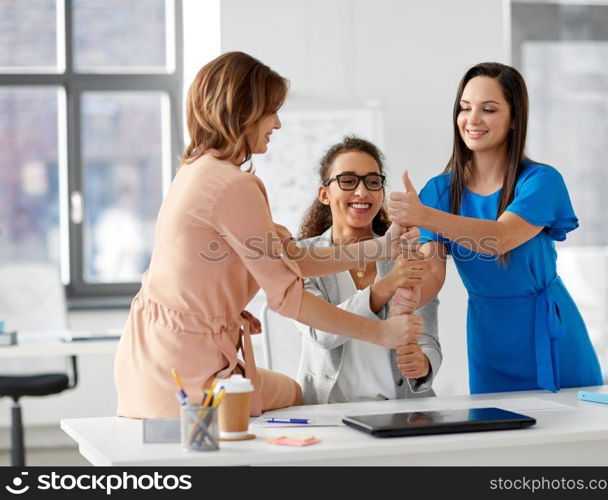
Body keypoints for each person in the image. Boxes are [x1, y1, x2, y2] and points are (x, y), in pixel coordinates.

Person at [114, 52, 423, 418]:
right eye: (270, 110)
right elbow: (288, 297)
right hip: (185, 369)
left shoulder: (197, 170)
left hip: (155, 352)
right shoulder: (232, 186)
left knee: (293, 393)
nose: (276, 123)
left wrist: (381, 247)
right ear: (241, 111)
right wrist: (381, 334)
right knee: (288, 400)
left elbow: (290, 260)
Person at [388, 62, 603, 394]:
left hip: (549, 333)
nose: (472, 119)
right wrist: (407, 295)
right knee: (497, 435)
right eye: (464, 108)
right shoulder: (439, 192)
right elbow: (432, 273)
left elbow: (499, 239)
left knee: (573, 435)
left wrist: (424, 216)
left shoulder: (541, 182)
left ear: (514, 118)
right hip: (489, 339)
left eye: (488, 109)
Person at [294, 136, 441, 404]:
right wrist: (385, 287)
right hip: (329, 415)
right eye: (348, 181)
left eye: (372, 182)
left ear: (382, 193)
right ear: (324, 194)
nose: (362, 192)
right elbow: (322, 334)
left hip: (401, 411)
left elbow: (427, 336)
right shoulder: (301, 257)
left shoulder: (404, 253)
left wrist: (424, 364)